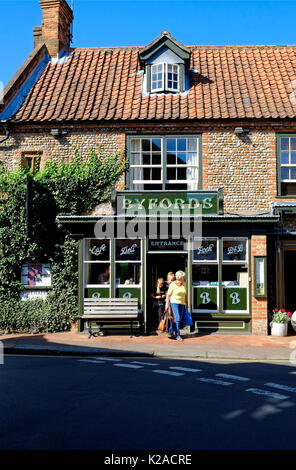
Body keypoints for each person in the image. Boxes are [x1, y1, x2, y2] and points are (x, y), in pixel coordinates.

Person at [165, 270, 188, 341]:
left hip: (182, 303)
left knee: (178, 319)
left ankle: (171, 331)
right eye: (184, 276)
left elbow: (185, 295)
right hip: (174, 303)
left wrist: (187, 304)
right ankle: (177, 335)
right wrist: (167, 305)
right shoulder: (173, 284)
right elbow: (168, 295)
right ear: (181, 277)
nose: (185, 277)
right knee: (177, 318)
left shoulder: (184, 284)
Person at [166, 272, 175, 336]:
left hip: (173, 301)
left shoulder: (174, 285)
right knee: (169, 316)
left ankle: (171, 330)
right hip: (168, 302)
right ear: (168, 279)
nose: (171, 281)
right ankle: (169, 330)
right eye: (170, 280)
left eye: (173, 280)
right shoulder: (165, 286)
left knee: (172, 317)